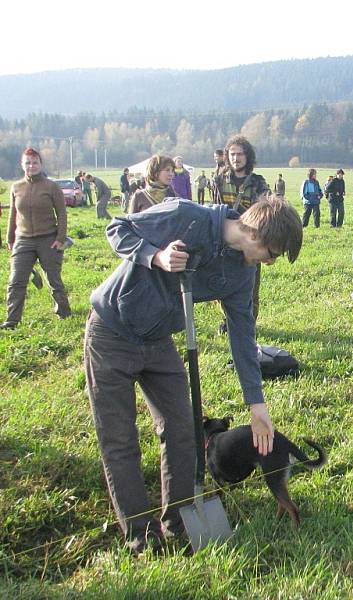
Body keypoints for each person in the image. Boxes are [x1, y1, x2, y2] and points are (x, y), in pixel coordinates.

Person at [84, 195, 303, 554]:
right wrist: (155, 255)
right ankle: (141, 534)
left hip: (158, 340)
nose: (271, 262)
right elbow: (117, 228)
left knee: (183, 430)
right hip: (111, 331)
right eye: (274, 253)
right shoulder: (186, 216)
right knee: (120, 440)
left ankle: (178, 521)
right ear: (258, 235)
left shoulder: (243, 271)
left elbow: (242, 332)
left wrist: (257, 403)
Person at [2, 148, 71, 329]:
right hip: (23, 240)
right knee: (16, 281)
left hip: (48, 239)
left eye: (35, 162)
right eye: (27, 162)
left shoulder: (51, 186)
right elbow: (12, 215)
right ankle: (11, 321)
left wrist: (60, 238)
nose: (31, 166)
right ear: (22, 165)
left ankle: (63, 311)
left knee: (53, 279)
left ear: (40, 164)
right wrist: (10, 239)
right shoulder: (16, 187)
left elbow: (62, 214)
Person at [212, 135, 269, 320]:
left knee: (250, 285)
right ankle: (226, 321)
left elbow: (264, 214)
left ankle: (249, 321)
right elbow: (214, 209)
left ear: (248, 156)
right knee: (223, 285)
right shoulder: (219, 180)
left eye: (240, 154)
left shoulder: (258, 182)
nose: (236, 158)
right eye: (232, 154)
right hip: (225, 241)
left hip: (250, 242)